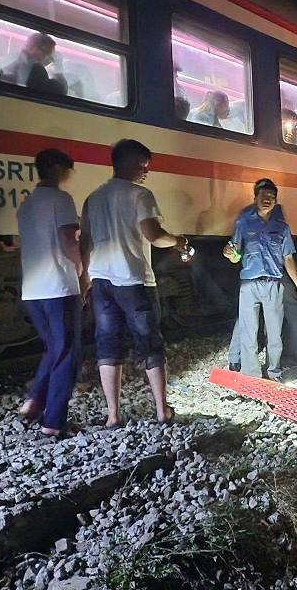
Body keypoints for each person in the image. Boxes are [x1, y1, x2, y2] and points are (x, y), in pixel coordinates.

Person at [80, 139, 189, 427]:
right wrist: (177, 241)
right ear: (129, 163)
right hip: (134, 280)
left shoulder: (93, 198)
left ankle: (113, 415)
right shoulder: (140, 195)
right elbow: (154, 235)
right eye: (143, 166)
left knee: (107, 345)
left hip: (101, 281)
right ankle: (162, 410)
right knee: (150, 343)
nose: (146, 172)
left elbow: (85, 242)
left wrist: (85, 279)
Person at [16, 148, 85, 437]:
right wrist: (83, 269)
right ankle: (53, 423)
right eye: (68, 169)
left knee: (54, 348)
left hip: (32, 290)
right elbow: (68, 240)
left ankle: (34, 400)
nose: (69, 175)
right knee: (67, 353)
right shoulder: (61, 199)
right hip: (59, 286)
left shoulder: (26, 204)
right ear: (57, 168)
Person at [223, 178, 297, 380]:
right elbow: (236, 254)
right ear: (255, 198)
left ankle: (274, 371)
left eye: (271, 197)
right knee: (249, 332)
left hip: (274, 284)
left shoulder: (282, 228)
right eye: (264, 196)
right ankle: (251, 374)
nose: (267, 200)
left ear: (275, 201)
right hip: (249, 284)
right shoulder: (243, 223)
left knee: (274, 334)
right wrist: (230, 254)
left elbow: (288, 258)